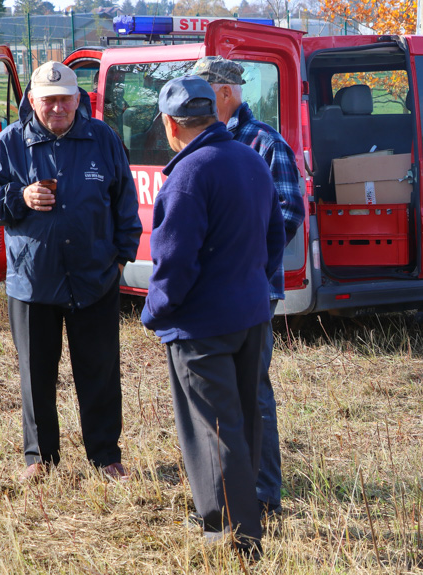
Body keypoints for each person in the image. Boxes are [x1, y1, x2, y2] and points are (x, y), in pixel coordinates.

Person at [140, 75, 286, 557]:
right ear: (211, 113)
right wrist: (249, 286)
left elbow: (174, 262)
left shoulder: (187, 175)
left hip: (201, 327)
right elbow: (274, 239)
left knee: (212, 431)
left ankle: (235, 536)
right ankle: (249, 516)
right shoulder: (249, 158)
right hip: (250, 315)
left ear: (170, 124)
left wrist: (155, 312)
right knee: (244, 422)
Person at [0, 61, 141, 483]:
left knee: (98, 370)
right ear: (32, 101)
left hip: (95, 278)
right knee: (35, 374)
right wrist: (19, 196)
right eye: (49, 100)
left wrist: (120, 258)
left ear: (79, 100)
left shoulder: (103, 140)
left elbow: (124, 201)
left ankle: (105, 455)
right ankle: (40, 459)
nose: (58, 108)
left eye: (65, 100)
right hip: (32, 280)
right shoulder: (8, 143)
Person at [191, 55, 304, 517]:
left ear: (222, 93)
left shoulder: (265, 143)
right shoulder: (199, 143)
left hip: (252, 290)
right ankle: (225, 493)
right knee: (219, 394)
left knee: (252, 392)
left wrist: (233, 252)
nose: (190, 103)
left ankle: (262, 494)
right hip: (210, 294)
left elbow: (288, 215)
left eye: (199, 92)